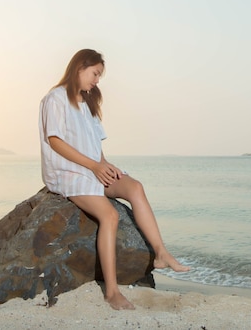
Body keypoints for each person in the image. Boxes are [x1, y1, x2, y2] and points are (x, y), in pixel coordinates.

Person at [38, 48, 189, 310]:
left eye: (99, 76)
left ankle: (161, 253)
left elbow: (95, 145)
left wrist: (105, 165)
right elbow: (55, 142)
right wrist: (95, 166)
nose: (96, 81)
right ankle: (111, 292)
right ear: (79, 68)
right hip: (67, 172)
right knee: (110, 216)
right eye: (95, 74)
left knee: (135, 187)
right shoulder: (56, 98)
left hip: (93, 167)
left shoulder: (87, 104)